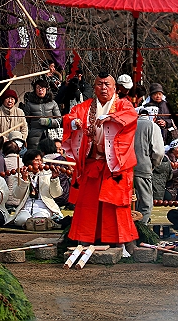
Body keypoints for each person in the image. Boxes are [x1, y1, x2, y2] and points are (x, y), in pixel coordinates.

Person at [62, 72, 139, 247]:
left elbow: (130, 117)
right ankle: (85, 240)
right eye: (99, 84)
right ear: (94, 87)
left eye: (107, 84)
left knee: (116, 205)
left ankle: (121, 244)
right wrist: (74, 124)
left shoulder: (123, 105)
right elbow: (70, 116)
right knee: (87, 205)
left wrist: (112, 118)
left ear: (114, 88)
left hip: (114, 166)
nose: (103, 88)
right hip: (92, 162)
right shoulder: (85, 107)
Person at [10, 149, 63, 227]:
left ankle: (35, 224)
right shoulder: (19, 175)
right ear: (28, 162)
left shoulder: (47, 173)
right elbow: (17, 195)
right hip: (26, 207)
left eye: (40, 160)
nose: (40, 163)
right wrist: (24, 180)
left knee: (39, 219)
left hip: (43, 208)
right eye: (36, 160)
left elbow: (56, 194)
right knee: (21, 220)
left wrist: (54, 179)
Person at [133, 109, 165, 224]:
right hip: (143, 167)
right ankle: (142, 229)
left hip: (125, 167)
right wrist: (153, 165)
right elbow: (159, 152)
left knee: (129, 201)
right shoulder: (152, 126)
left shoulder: (129, 124)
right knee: (146, 202)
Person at [23, 77, 62, 150]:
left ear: (46, 89)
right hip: (34, 137)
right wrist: (28, 134)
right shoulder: (29, 104)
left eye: (43, 88)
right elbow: (25, 122)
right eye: (38, 88)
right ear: (35, 90)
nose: (40, 90)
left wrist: (48, 122)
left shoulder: (53, 103)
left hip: (51, 135)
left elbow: (59, 120)